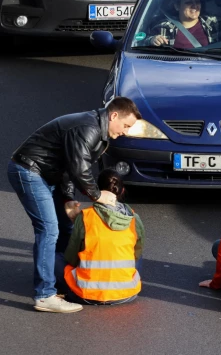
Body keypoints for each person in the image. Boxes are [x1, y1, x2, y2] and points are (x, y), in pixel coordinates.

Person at [7, 97, 141, 313]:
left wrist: (68, 199)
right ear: (113, 115)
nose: (126, 131)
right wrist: (98, 196)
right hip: (29, 171)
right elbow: (79, 169)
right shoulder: (88, 129)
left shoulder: (98, 131)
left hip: (49, 175)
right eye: (126, 125)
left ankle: (60, 280)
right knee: (48, 230)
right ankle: (45, 295)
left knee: (67, 226)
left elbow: (71, 166)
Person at [58, 169, 144, 305]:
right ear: (122, 191)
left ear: (97, 192)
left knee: (56, 256)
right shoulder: (134, 218)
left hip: (86, 294)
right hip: (126, 294)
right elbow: (136, 255)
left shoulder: (86, 216)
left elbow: (71, 257)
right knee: (134, 251)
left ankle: (52, 289)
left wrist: (76, 222)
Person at [144, 0, 221, 48]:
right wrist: (152, 40)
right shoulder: (164, 28)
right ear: (177, 6)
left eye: (197, 1)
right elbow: (139, 43)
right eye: (188, 2)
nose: (195, 6)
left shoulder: (213, 22)